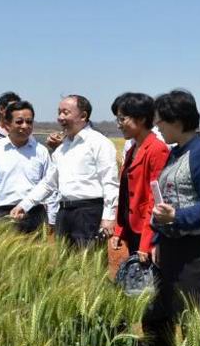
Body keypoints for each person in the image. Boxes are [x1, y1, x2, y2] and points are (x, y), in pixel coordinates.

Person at [141, 89, 200, 346]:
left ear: (177, 121)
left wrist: (177, 216)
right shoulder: (177, 152)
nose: (157, 126)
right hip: (169, 247)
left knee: (191, 318)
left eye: (161, 121)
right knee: (161, 312)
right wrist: (157, 238)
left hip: (193, 252)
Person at [11, 95, 119, 247]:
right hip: (64, 213)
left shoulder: (99, 143)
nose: (60, 117)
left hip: (89, 213)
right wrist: (25, 205)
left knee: (88, 260)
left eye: (65, 112)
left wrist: (108, 217)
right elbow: (48, 183)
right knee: (64, 260)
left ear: (83, 116)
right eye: (59, 112)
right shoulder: (62, 149)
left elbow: (110, 182)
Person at [0, 100, 50, 233]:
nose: (25, 126)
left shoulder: (41, 152)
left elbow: (49, 186)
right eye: (19, 122)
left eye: (29, 122)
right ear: (7, 125)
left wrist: (52, 220)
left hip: (34, 215)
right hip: (1, 216)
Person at [109, 93, 170, 256]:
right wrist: (119, 229)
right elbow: (125, 194)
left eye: (122, 119)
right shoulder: (132, 150)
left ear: (142, 119)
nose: (119, 125)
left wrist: (146, 243)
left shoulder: (157, 149)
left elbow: (155, 198)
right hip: (131, 227)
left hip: (145, 230)